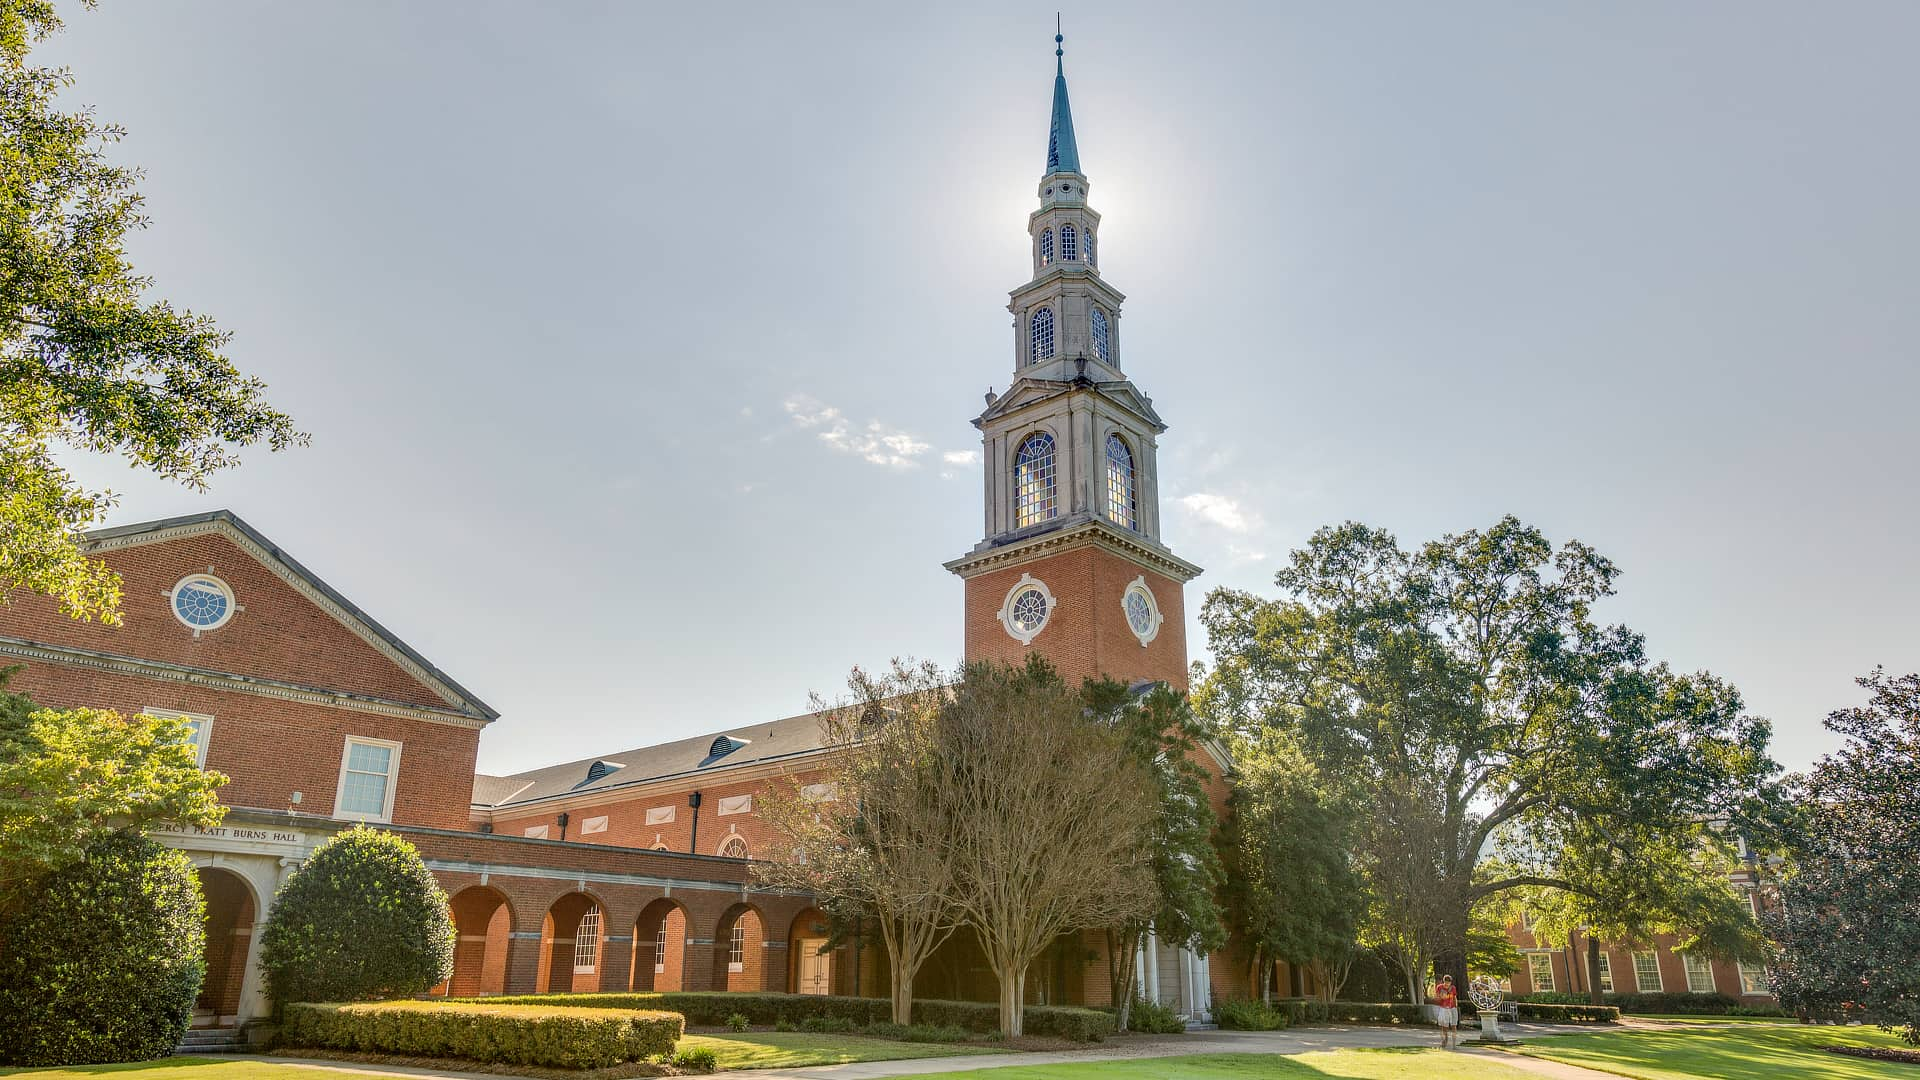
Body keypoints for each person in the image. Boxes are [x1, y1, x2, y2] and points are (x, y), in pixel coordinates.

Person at [1433, 974, 1459, 1048]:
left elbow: (1454, 997)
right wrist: (1442, 996)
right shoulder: (1439, 987)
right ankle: (1445, 1041)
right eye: (1446, 982)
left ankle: (1454, 1044)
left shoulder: (1453, 988)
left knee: (1454, 1025)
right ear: (1443, 981)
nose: (1447, 984)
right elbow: (1437, 997)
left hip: (1452, 1008)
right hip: (1443, 1008)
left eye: (1449, 982)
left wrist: (1456, 1006)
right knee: (1443, 1026)